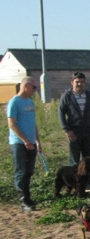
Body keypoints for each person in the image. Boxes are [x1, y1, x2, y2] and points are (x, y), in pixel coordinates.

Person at [8, 77, 42, 211]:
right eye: (34, 87)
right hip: (19, 143)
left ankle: (28, 197)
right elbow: (12, 124)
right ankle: (23, 201)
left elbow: (33, 124)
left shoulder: (30, 102)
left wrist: (37, 141)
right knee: (21, 171)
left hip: (31, 142)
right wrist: (25, 140)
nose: (35, 90)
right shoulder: (14, 102)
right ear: (26, 86)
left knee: (29, 171)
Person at [58, 72, 90, 167]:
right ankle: (75, 180)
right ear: (72, 82)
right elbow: (61, 113)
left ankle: (87, 181)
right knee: (74, 160)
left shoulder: (89, 95)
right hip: (74, 132)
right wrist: (66, 130)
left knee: (88, 160)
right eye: (77, 82)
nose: (80, 84)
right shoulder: (67, 96)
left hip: (89, 132)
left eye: (82, 82)